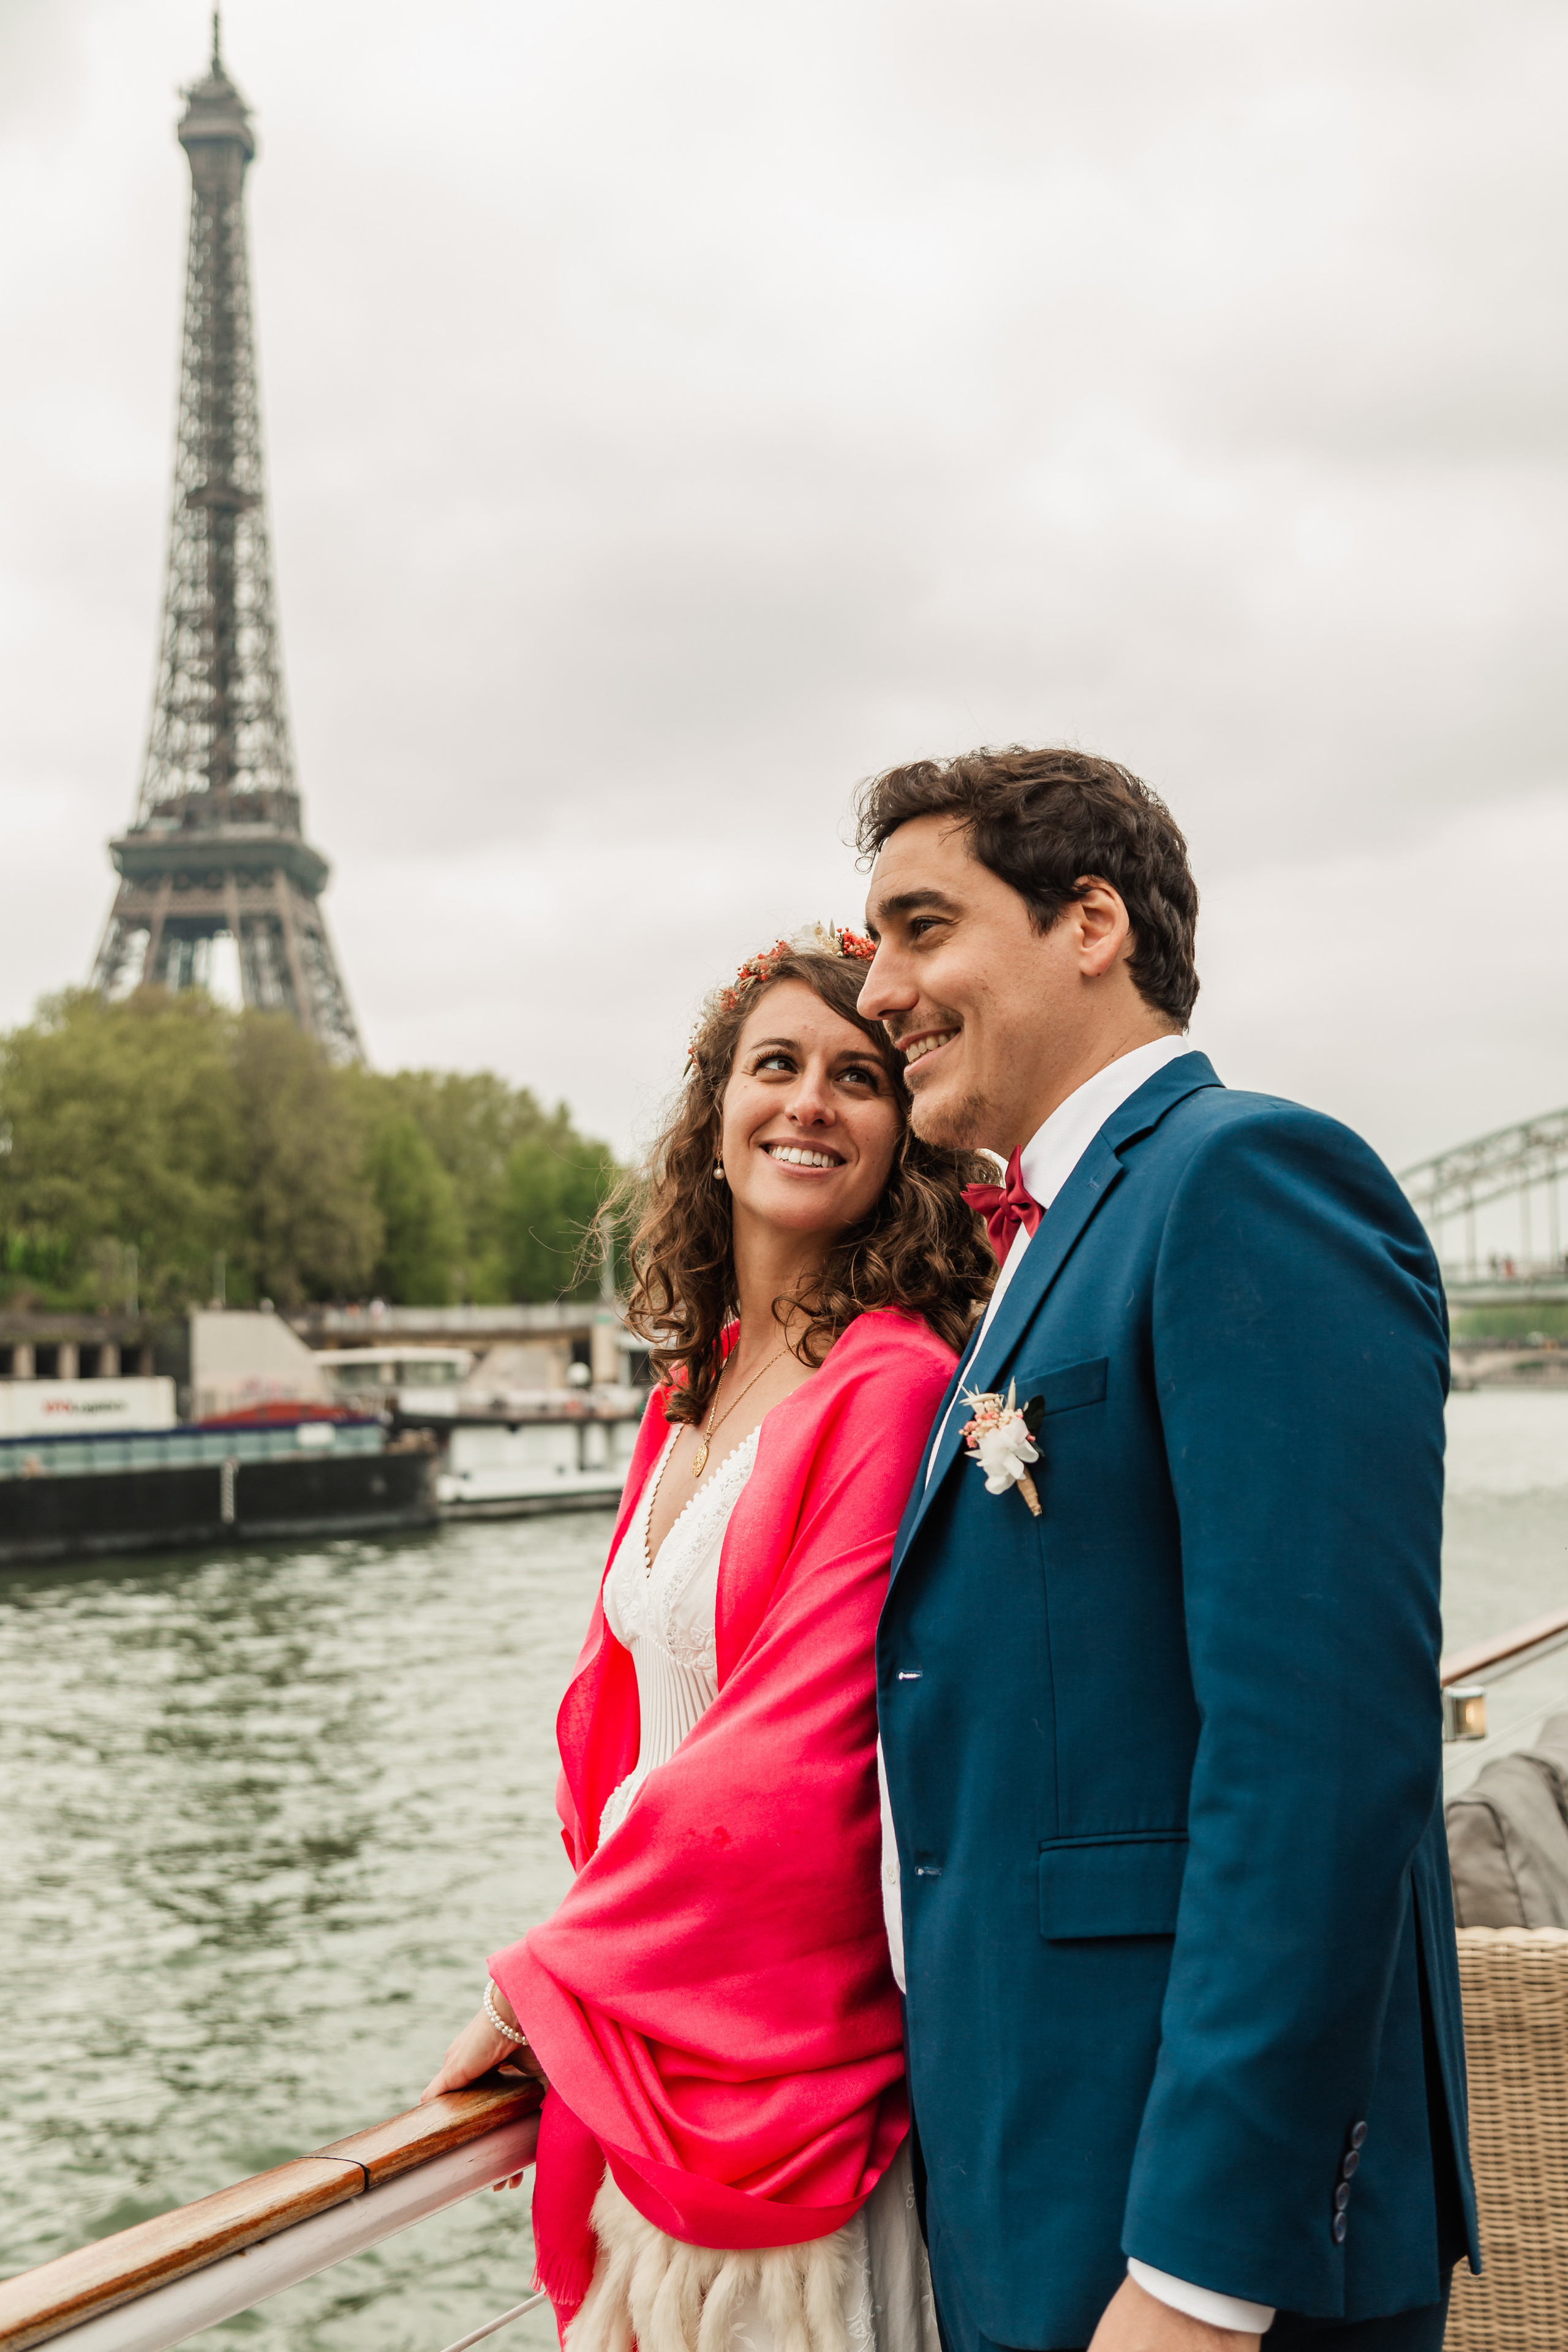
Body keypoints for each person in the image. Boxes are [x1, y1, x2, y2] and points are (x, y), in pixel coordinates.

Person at [854, 748, 1479, 2352]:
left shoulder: (1245, 1180)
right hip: (1044, 2186)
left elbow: (1323, 1758)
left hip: (1189, 2242)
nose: (880, 990)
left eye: (921, 929)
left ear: (1090, 923)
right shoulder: (1065, 1236)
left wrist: (1203, 2272)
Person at [423, 924, 994, 2352]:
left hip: (768, 2034)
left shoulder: (890, 1388)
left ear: (900, 1134)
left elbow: (798, 1758)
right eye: (775, 1066)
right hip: (656, 1995)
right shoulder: (691, 1388)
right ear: (714, 1111)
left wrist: (542, 1974)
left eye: (856, 1077)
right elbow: (611, 1709)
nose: (808, 1102)